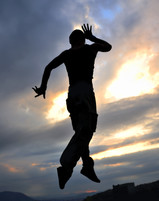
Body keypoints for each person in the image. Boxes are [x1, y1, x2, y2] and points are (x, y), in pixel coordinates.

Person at [33, 24, 112, 189]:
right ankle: (67, 167)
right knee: (86, 130)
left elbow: (48, 67)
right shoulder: (90, 49)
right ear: (83, 40)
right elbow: (108, 47)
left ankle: (87, 166)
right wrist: (93, 38)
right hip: (85, 91)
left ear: (70, 42)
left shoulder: (67, 54)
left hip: (72, 94)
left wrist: (43, 87)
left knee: (81, 132)